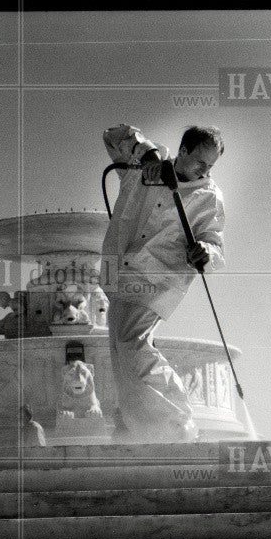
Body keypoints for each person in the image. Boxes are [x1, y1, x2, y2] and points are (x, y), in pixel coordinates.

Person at [101, 123, 226, 443]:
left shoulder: (208, 195)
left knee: (132, 342)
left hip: (160, 277)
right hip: (121, 270)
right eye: (201, 162)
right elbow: (113, 135)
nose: (205, 170)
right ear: (182, 151)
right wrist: (149, 156)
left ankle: (176, 421)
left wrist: (205, 251)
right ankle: (131, 427)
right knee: (120, 350)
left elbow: (214, 242)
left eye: (211, 166)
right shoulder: (144, 167)